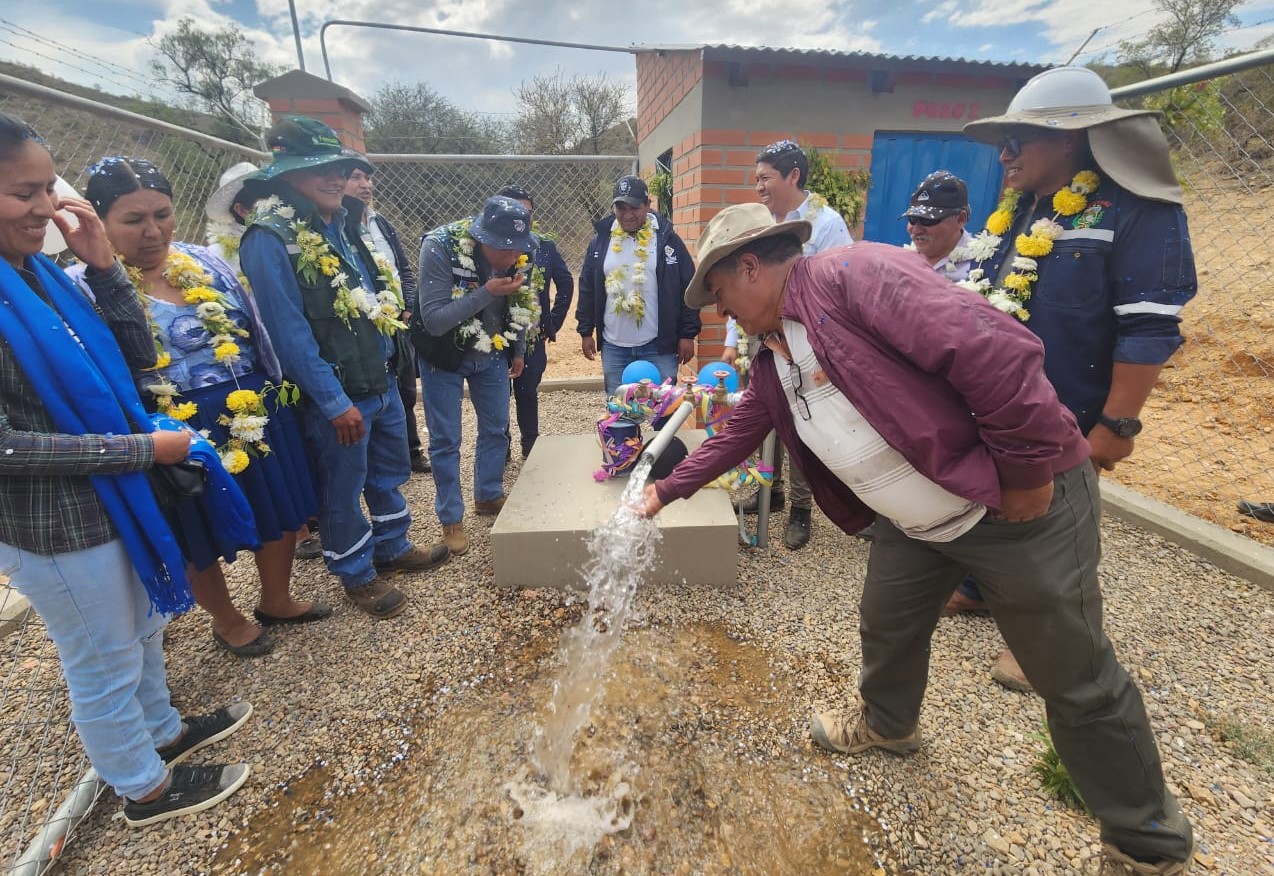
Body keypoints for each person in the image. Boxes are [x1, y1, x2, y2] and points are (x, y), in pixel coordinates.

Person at [639, 203, 1195, 876]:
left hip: (1014, 506)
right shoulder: (773, 357)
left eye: (721, 296)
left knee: (1074, 676)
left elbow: (995, 350)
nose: (722, 314)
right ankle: (889, 724)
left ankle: (1147, 843)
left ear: (749, 267)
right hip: (919, 525)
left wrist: (1022, 473)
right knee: (888, 620)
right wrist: (666, 491)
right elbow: (736, 436)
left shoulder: (855, 276)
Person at [0, 112, 250, 825]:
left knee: (140, 627)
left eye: (50, 189)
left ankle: (163, 733)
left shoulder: (43, 275)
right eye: (25, 194)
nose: (46, 209)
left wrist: (104, 267)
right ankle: (141, 787)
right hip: (56, 524)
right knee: (102, 656)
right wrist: (143, 450)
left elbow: (138, 358)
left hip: (113, 501)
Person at [957, 66, 1197, 697]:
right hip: (1003, 406)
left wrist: (1117, 423)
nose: (1004, 155)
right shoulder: (1017, 212)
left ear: (1069, 140)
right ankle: (982, 590)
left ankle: (1047, 641)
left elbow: (1149, 329)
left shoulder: (1135, 212)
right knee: (1001, 501)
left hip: (1074, 410)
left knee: (1061, 524)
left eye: (1018, 141)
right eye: (1002, 143)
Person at [74, 156, 331, 658]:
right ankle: (226, 619)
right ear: (100, 221)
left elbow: (255, 333)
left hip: (252, 406)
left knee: (277, 506)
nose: (153, 231)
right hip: (175, 428)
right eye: (133, 220)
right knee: (197, 523)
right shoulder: (87, 286)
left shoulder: (206, 262)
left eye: (162, 214)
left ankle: (276, 598)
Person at [240, 117, 449, 620]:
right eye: (319, 169)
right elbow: (288, 332)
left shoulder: (345, 223)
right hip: (335, 392)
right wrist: (333, 401)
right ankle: (356, 575)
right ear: (287, 174)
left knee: (388, 472)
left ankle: (393, 547)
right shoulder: (271, 238)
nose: (334, 177)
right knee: (342, 486)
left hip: (378, 378)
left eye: (338, 166)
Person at [725, 140, 854, 550]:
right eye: (756, 179)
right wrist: (733, 339)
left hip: (805, 342)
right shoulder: (758, 221)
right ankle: (770, 490)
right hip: (762, 336)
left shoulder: (827, 223)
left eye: (765, 178)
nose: (758, 187)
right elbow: (738, 281)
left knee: (803, 422)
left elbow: (839, 286)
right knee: (767, 419)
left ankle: (801, 508)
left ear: (793, 176)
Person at [204, 162, 323, 562]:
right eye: (265, 198)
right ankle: (301, 527)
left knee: (304, 436)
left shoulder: (291, 237)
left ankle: (313, 510)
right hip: (255, 365)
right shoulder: (218, 258)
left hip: (294, 349)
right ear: (242, 209)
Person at [412, 195, 536, 557]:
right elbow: (434, 320)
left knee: (497, 427)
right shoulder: (439, 247)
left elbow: (521, 301)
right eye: (506, 250)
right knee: (446, 439)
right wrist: (486, 292)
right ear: (484, 238)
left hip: (492, 352)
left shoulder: (517, 254)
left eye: (519, 249)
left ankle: (488, 493)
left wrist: (518, 348)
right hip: (443, 355)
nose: (514, 258)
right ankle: (451, 518)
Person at [576, 175, 699, 396]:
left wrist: (687, 334)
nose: (628, 215)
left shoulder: (667, 240)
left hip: (658, 346)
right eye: (621, 208)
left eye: (634, 207)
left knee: (663, 410)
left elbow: (688, 287)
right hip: (614, 346)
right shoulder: (601, 241)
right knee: (619, 413)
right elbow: (587, 287)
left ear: (647, 205)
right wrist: (585, 331)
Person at [345, 164, 431, 475]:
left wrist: (408, 308)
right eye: (356, 178)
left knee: (405, 391)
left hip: (396, 322)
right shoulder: (339, 228)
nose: (365, 185)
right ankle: (375, 463)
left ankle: (410, 452)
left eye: (368, 178)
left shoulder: (381, 222)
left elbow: (405, 272)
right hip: (364, 323)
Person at [496, 184, 575, 458]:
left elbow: (565, 283)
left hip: (531, 335)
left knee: (527, 392)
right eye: (515, 211)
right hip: (496, 336)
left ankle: (530, 446)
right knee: (497, 395)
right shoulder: (489, 247)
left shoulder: (544, 245)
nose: (522, 218)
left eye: (527, 212)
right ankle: (500, 447)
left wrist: (551, 322)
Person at [901, 170, 974, 281]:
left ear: (960, 219)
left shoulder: (983, 265)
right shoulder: (901, 261)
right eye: (912, 219)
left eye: (928, 220)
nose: (916, 229)